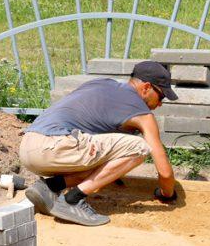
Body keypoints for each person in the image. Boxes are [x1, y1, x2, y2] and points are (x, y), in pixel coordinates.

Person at [21, 61, 179, 226]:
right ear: (146, 87)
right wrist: (166, 193)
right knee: (139, 147)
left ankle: (50, 186)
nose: (160, 103)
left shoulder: (100, 83)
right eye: (161, 96)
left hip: (29, 145)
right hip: (56, 146)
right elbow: (165, 173)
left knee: (105, 164)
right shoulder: (143, 114)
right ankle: (73, 200)